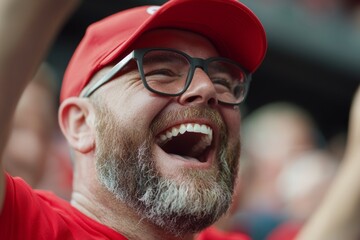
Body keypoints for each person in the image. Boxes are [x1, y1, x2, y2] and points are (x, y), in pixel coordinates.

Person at [0, 0, 267, 239]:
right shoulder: (26, 226)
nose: (207, 88)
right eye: (162, 71)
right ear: (81, 124)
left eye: (222, 81)